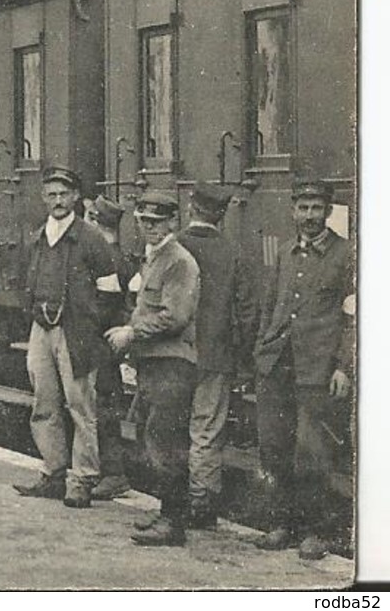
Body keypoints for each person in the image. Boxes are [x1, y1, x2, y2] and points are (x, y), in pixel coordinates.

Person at [251, 179, 355, 561]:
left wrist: (344, 366)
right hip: (276, 365)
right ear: (293, 210)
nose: (309, 216)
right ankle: (282, 523)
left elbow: (354, 317)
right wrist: (261, 352)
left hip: (317, 369)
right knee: (274, 448)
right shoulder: (284, 253)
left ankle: (316, 531)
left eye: (316, 208)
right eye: (303, 208)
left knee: (312, 452)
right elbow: (269, 307)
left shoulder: (346, 255)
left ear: (328, 211)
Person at [11, 166, 126, 508]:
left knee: (81, 406)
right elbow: (25, 284)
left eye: (64, 194)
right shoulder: (37, 238)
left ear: (76, 197)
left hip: (76, 333)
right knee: (43, 403)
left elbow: (111, 292)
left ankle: (83, 478)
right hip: (42, 330)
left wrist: (89, 326)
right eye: (51, 194)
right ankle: (53, 472)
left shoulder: (91, 239)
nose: (58, 201)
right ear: (43, 198)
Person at [105, 190, 200, 547]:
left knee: (167, 442)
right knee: (155, 437)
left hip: (172, 364)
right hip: (155, 363)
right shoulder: (156, 258)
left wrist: (132, 332)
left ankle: (173, 524)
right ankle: (167, 514)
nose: (150, 228)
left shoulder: (178, 261)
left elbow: (175, 316)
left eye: (157, 222)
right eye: (144, 221)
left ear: (173, 222)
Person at [176, 183, 259, 530]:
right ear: (222, 215)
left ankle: (172, 501)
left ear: (191, 208)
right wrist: (240, 356)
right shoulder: (232, 252)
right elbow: (248, 311)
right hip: (216, 356)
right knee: (206, 430)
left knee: (170, 427)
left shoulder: (173, 246)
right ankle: (202, 502)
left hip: (174, 355)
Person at [84, 195, 134, 500]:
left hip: (101, 342)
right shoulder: (117, 256)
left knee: (103, 408)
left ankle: (114, 473)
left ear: (96, 222)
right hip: (104, 343)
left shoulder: (108, 259)